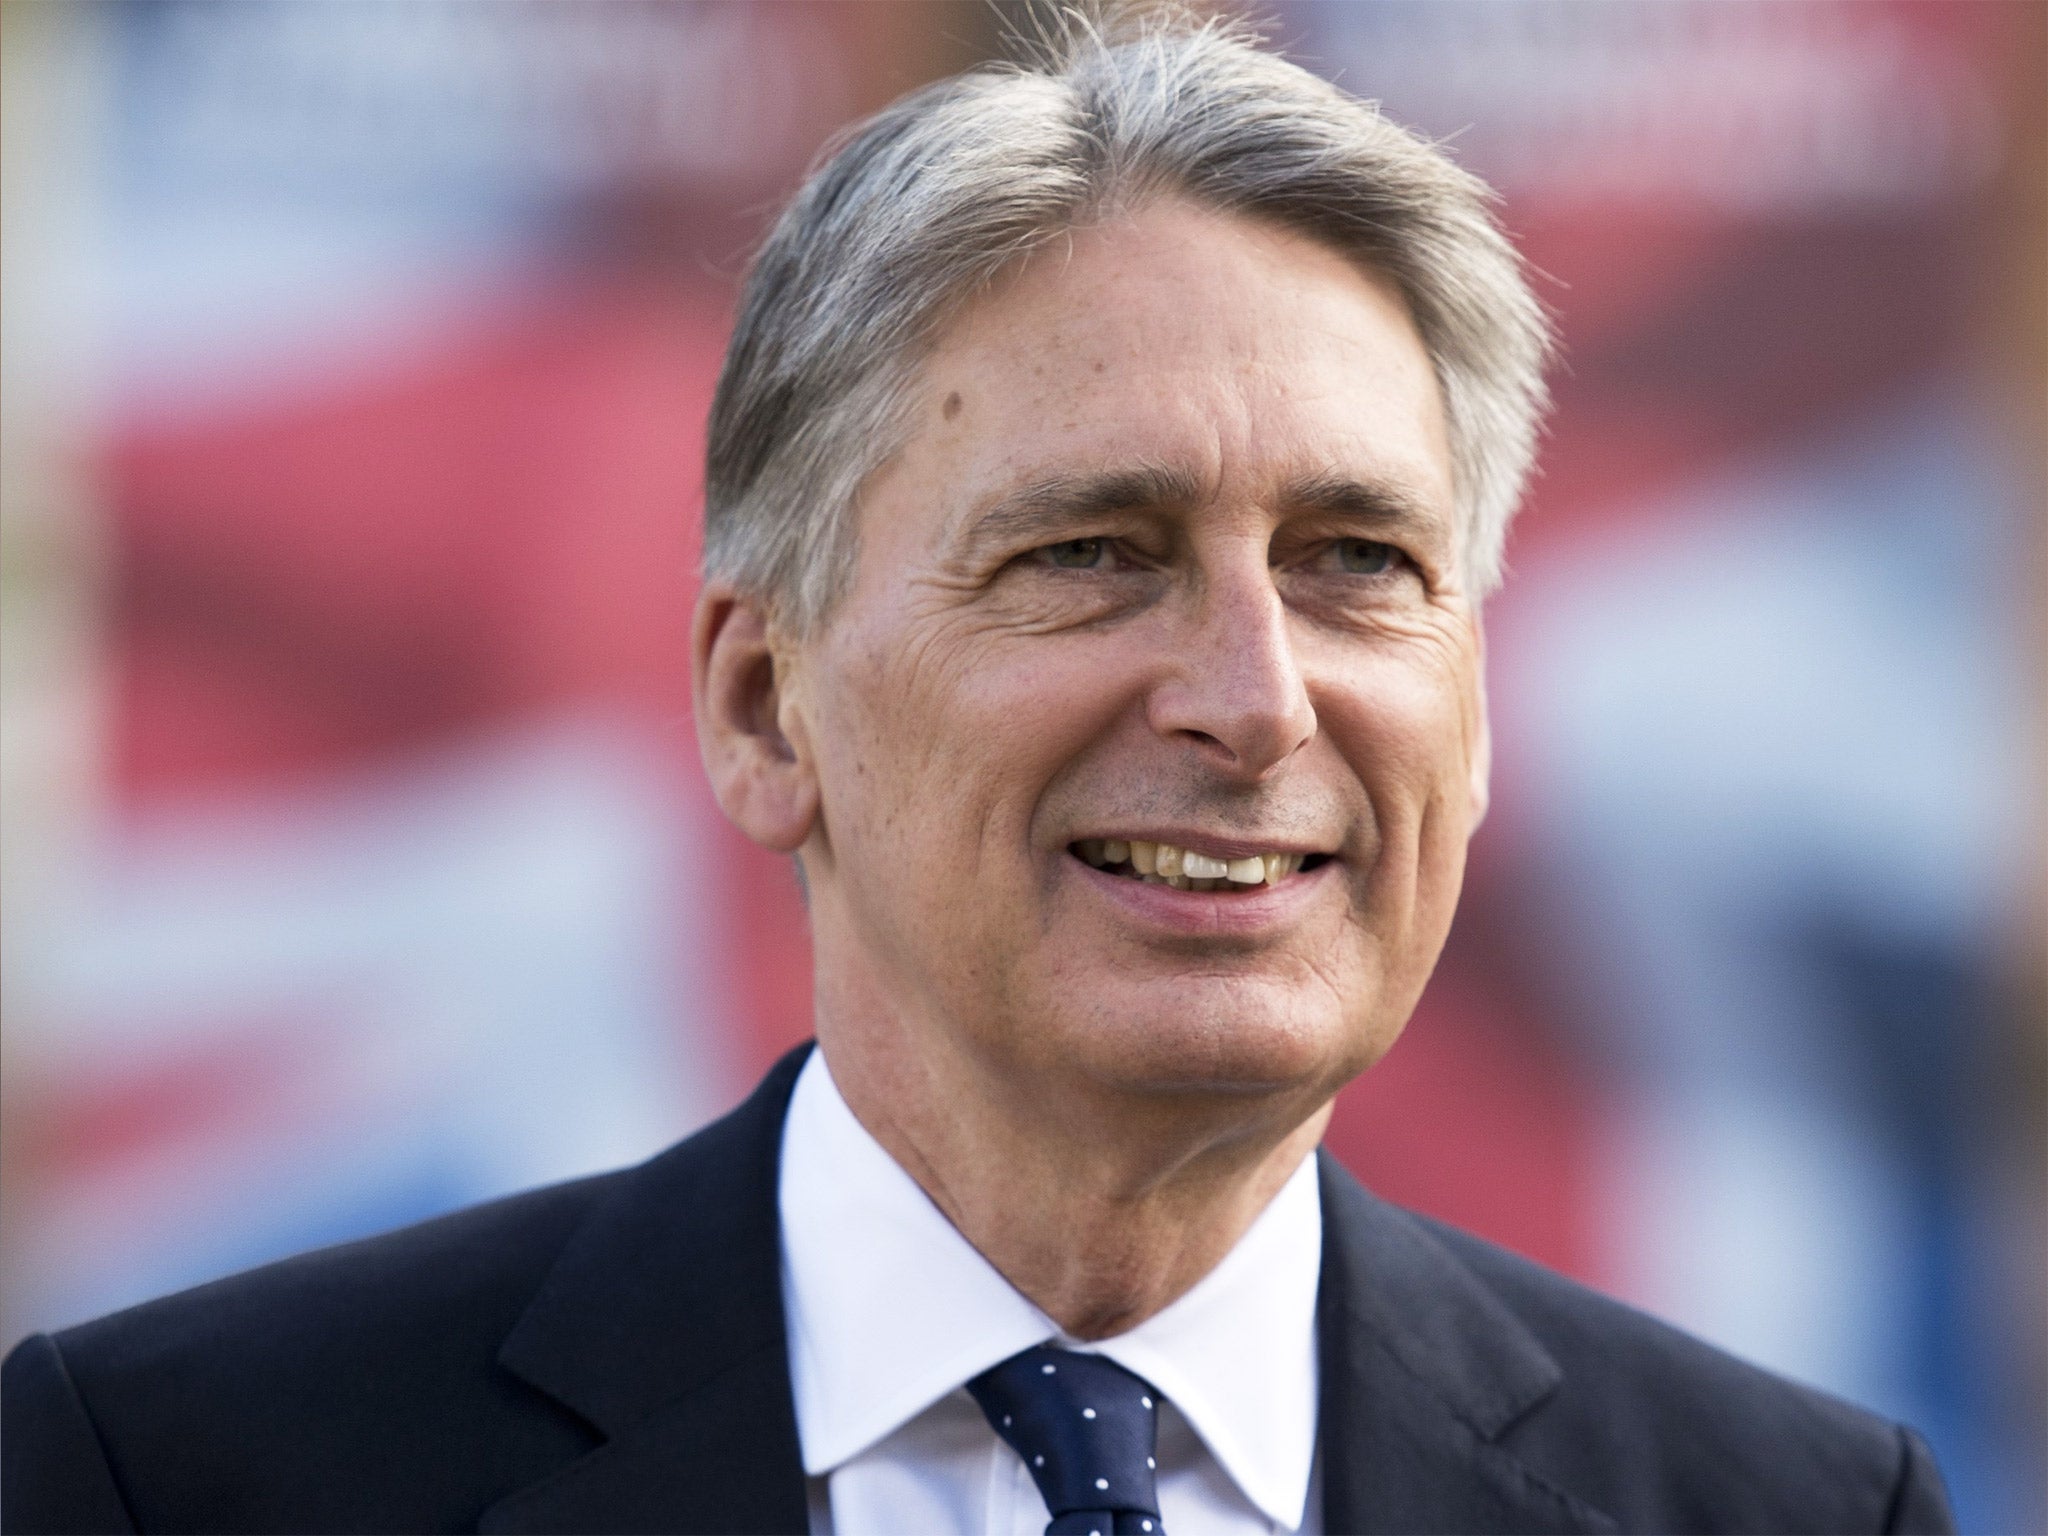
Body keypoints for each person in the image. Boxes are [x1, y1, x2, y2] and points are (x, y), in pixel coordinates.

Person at [2, 15, 1955, 1535]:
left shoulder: (1782, 1508)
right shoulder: (185, 1475)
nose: (1255, 700)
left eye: (1357, 563)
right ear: (765, 709)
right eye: (1090, 553)